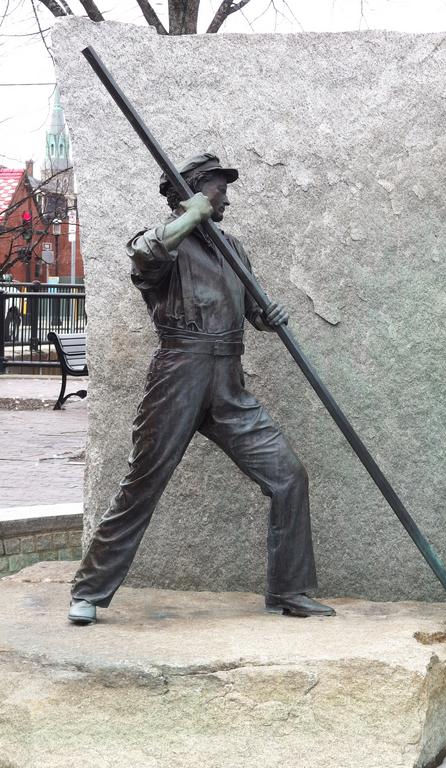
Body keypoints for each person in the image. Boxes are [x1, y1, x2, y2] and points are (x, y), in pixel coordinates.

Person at [68, 152, 335, 625]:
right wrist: (194, 212)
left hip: (228, 379)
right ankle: (89, 590)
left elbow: (253, 311)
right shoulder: (162, 243)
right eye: (217, 189)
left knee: (288, 475)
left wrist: (267, 318)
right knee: (144, 483)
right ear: (191, 193)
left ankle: (290, 590)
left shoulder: (233, 248)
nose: (226, 198)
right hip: (179, 374)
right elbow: (146, 255)